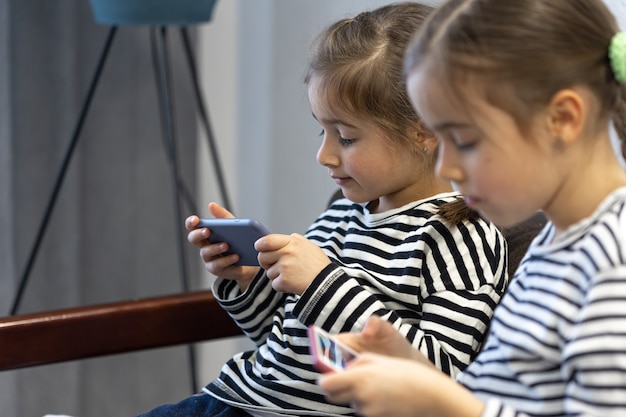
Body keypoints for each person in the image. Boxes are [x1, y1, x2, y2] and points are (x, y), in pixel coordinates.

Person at [136, 2, 508, 416]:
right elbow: (284, 342)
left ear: (423, 131)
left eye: (346, 138)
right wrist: (246, 282)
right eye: (322, 129)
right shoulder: (341, 215)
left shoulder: (459, 237)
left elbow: (440, 377)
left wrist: (323, 284)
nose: (324, 155)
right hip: (236, 400)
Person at [318, 0, 626, 416]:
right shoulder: (558, 242)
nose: (445, 167)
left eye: (463, 140)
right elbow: (510, 396)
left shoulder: (613, 262)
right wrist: (414, 368)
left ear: (563, 119)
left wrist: (445, 406)